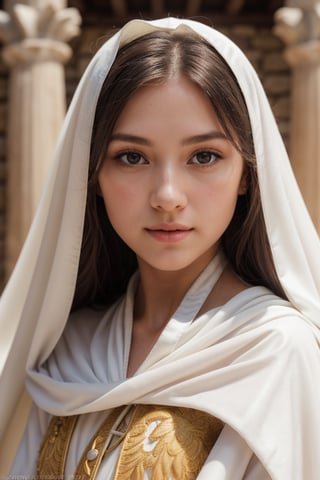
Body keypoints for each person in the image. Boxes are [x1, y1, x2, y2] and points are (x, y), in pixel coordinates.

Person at [1, 16, 320, 480]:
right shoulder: (69, 351)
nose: (168, 195)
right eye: (132, 157)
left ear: (248, 173)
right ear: (93, 176)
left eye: (204, 156)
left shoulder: (277, 351)